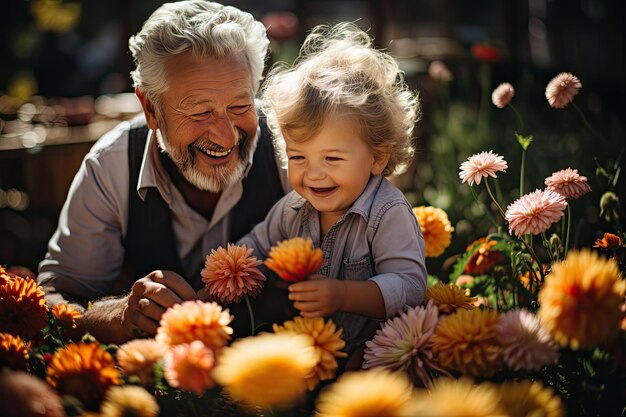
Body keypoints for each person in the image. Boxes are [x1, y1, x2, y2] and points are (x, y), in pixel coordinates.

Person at [36, 0, 289, 344]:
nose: (227, 136)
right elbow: (52, 299)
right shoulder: (111, 166)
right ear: (150, 109)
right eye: (200, 112)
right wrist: (116, 315)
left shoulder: (291, 150)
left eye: (240, 106)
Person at [238, 22, 427, 360]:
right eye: (298, 156)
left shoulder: (386, 213)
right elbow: (255, 246)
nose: (313, 173)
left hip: (375, 357)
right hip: (310, 354)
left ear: (377, 157)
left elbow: (410, 287)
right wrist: (226, 275)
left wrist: (343, 295)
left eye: (332, 158)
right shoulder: (292, 210)